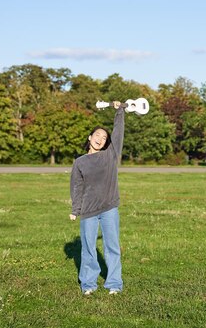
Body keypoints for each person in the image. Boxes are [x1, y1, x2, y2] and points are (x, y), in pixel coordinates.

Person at [69, 101, 124, 296]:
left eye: (104, 137)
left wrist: (119, 111)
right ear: (90, 137)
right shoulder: (80, 162)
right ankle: (88, 284)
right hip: (88, 211)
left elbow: (118, 133)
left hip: (109, 208)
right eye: (97, 135)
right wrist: (75, 210)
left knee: (112, 247)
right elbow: (77, 186)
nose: (100, 139)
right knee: (88, 248)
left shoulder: (110, 155)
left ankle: (114, 284)